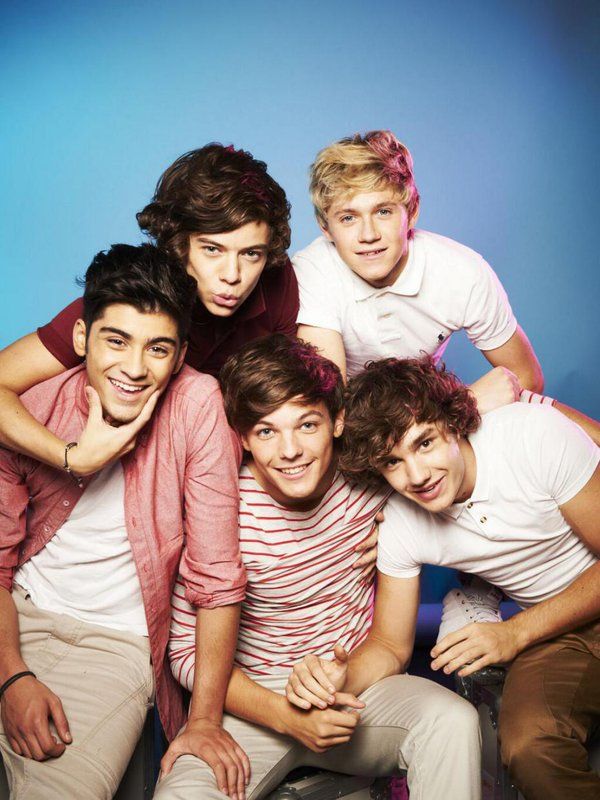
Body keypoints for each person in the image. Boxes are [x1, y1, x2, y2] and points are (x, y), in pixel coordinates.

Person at [159, 335, 481, 800]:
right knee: (180, 794)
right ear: (244, 438)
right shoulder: (219, 506)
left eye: (306, 425)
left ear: (338, 421)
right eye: (267, 431)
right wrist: (281, 714)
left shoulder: (378, 476)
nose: (290, 450)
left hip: (355, 689)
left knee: (452, 721)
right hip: (253, 701)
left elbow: (447, 426)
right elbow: (186, 652)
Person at [0, 244, 248, 800]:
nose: (134, 369)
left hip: (113, 648)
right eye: (116, 341)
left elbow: (217, 575)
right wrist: (12, 676)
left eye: (157, 348)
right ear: (82, 338)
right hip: (14, 618)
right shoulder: (32, 407)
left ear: (181, 354)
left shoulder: (196, 406)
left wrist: (204, 719)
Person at [321, 356, 599, 800]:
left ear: (454, 422)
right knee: (530, 749)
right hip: (558, 632)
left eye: (424, 443)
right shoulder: (402, 523)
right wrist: (339, 679)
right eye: (392, 462)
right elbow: (391, 645)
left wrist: (512, 634)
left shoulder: (532, 435)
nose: (417, 476)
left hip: (546, 617)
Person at [0, 143, 298, 476]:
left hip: (222, 466)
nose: (232, 275)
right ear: (178, 243)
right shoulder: (130, 304)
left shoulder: (278, 284)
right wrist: (70, 457)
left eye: (251, 254)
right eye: (212, 249)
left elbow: (290, 402)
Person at [292, 130, 600, 443]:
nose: (368, 234)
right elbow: (329, 411)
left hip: (428, 411)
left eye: (383, 211)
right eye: (348, 218)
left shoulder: (462, 271)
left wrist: (452, 415)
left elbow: (526, 378)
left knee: (544, 417)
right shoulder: (312, 271)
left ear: (411, 211)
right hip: (355, 433)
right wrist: (467, 403)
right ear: (325, 227)